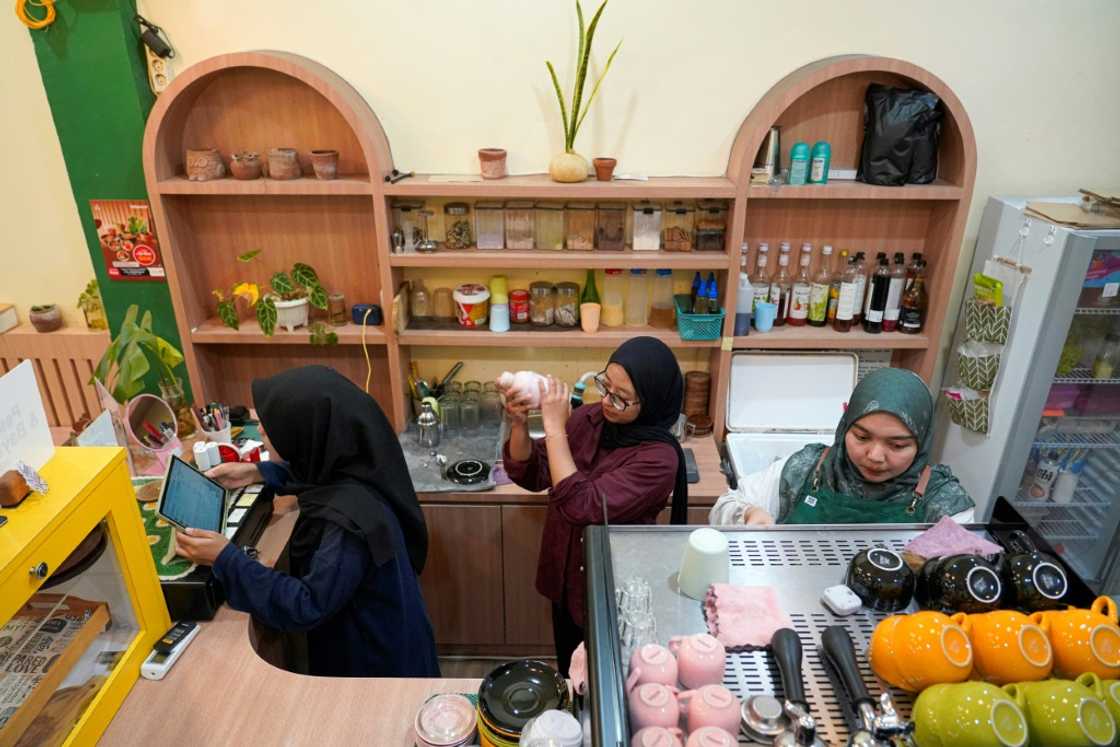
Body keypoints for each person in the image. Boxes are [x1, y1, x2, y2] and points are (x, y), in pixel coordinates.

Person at [174, 366, 439, 678]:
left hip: (377, 670)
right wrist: (260, 471)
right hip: (396, 635)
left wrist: (226, 558)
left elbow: (306, 605)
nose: (260, 431)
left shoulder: (347, 528)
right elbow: (318, 476)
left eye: (268, 425)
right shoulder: (359, 463)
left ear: (304, 434)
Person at [498, 337, 688, 676]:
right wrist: (519, 423)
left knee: (606, 675)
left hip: (612, 587)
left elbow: (581, 504)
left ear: (653, 401)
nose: (607, 401)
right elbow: (534, 472)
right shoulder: (590, 419)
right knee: (570, 671)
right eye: (605, 385)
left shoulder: (658, 460)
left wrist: (554, 426)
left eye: (621, 397)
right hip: (564, 571)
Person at [710, 367, 975, 526]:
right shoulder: (808, 468)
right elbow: (726, 505)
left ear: (922, 441)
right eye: (861, 437)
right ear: (845, 426)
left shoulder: (943, 502)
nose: (875, 456)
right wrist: (748, 514)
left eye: (896, 445)